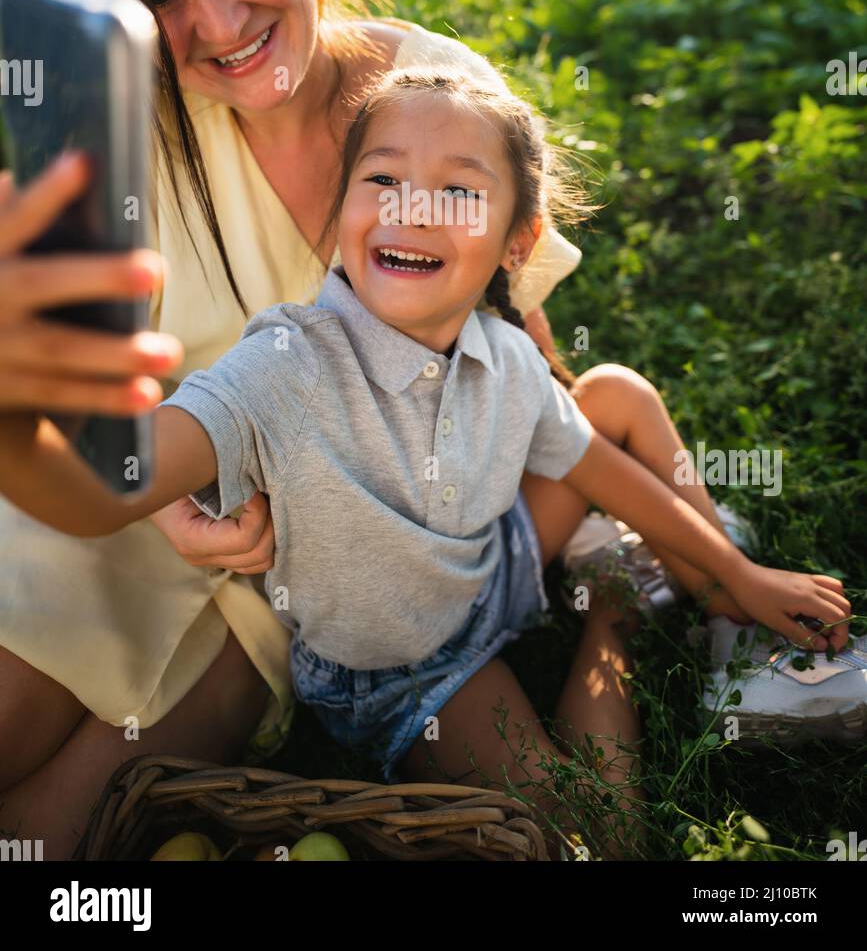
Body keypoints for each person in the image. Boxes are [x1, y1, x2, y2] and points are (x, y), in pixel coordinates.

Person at [0, 65, 852, 861]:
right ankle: (615, 610)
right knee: (593, 836)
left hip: (497, 551)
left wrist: (739, 575)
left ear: (517, 243)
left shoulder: (503, 356)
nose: (413, 207)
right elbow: (102, 489)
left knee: (618, 393)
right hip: (421, 668)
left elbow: (596, 465)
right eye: (382, 178)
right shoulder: (284, 368)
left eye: (456, 189)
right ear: (341, 210)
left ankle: (725, 618)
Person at [0, 0, 599, 859]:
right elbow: (93, 428)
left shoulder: (430, 95)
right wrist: (162, 502)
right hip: (129, 492)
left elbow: (522, 366)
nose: (219, 24)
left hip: (293, 574)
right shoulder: (123, 139)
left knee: (46, 838)